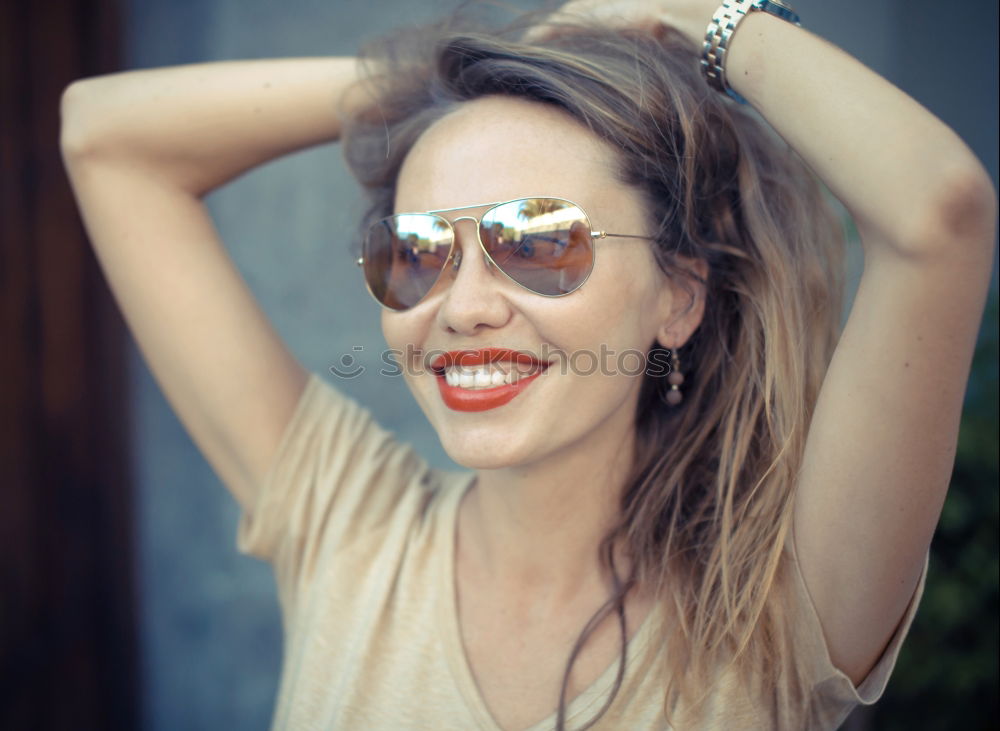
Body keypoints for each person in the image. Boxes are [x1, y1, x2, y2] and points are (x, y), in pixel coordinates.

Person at [59, 0, 996, 729]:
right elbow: (103, 136)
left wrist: (685, 17)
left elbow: (938, 212)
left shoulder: (779, 602)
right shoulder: (347, 526)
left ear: (679, 294)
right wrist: (458, 74)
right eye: (418, 251)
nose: (461, 307)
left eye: (541, 243)